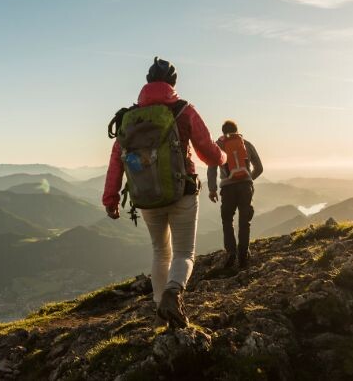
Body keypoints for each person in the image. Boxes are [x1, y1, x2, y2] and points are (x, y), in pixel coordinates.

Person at [103, 57, 226, 328]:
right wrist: (223, 157)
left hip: (146, 197)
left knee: (160, 252)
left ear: (147, 83)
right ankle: (173, 292)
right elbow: (209, 152)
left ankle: (161, 314)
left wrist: (111, 198)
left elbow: (116, 160)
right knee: (184, 253)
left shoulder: (129, 118)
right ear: (173, 83)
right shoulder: (184, 111)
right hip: (183, 193)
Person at [207, 120, 263, 269]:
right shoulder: (246, 144)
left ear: (223, 132)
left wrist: (212, 189)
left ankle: (231, 252)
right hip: (246, 188)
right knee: (245, 221)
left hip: (228, 189)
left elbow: (212, 168)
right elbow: (259, 167)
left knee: (227, 220)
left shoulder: (218, 146)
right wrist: (248, 178)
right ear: (237, 130)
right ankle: (243, 255)